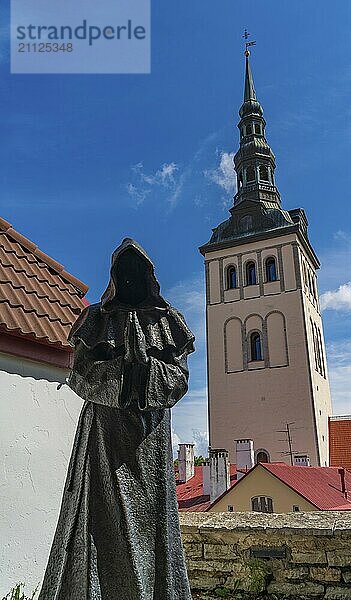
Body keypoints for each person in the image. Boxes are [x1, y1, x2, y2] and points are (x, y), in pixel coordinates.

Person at [39, 238, 195, 600]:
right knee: (99, 524)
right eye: (123, 271)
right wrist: (123, 372)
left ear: (148, 276)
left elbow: (179, 380)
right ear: (113, 276)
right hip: (102, 439)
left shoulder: (169, 321)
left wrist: (146, 371)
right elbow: (80, 375)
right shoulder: (96, 318)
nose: (129, 279)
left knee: (152, 522)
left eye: (136, 271)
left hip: (150, 441)